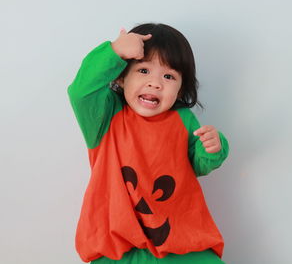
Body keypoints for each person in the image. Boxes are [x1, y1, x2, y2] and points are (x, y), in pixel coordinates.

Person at [67, 23, 229, 264]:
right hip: (118, 247)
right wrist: (113, 52)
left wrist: (214, 148)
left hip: (181, 242)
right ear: (121, 77)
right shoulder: (105, 116)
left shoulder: (183, 119)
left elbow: (198, 164)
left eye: (168, 76)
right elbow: (81, 91)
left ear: (180, 87)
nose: (155, 83)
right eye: (143, 71)